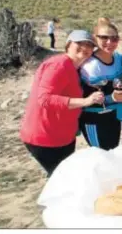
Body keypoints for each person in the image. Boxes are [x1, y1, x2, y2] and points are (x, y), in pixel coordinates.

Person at [20, 30, 100, 176]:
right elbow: (45, 98)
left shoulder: (75, 68)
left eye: (89, 45)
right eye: (80, 43)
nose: (85, 47)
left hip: (61, 136)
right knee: (61, 180)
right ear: (68, 45)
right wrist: (85, 101)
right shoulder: (59, 65)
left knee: (63, 179)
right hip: (46, 136)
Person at [78, 18, 122, 150]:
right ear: (95, 39)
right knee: (100, 156)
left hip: (114, 116)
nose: (110, 42)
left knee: (112, 154)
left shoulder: (119, 59)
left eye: (114, 38)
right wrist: (112, 98)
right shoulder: (89, 66)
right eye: (104, 38)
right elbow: (85, 99)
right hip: (94, 119)